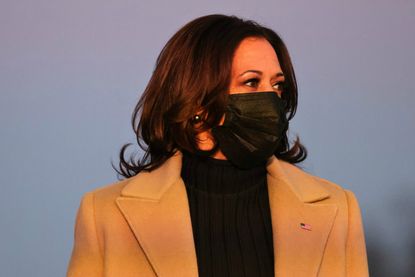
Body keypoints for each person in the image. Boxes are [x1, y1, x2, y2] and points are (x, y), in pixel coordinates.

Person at [66, 14, 369, 277]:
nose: (271, 98)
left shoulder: (338, 210)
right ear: (197, 99)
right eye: (252, 82)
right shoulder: (105, 215)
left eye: (278, 85)